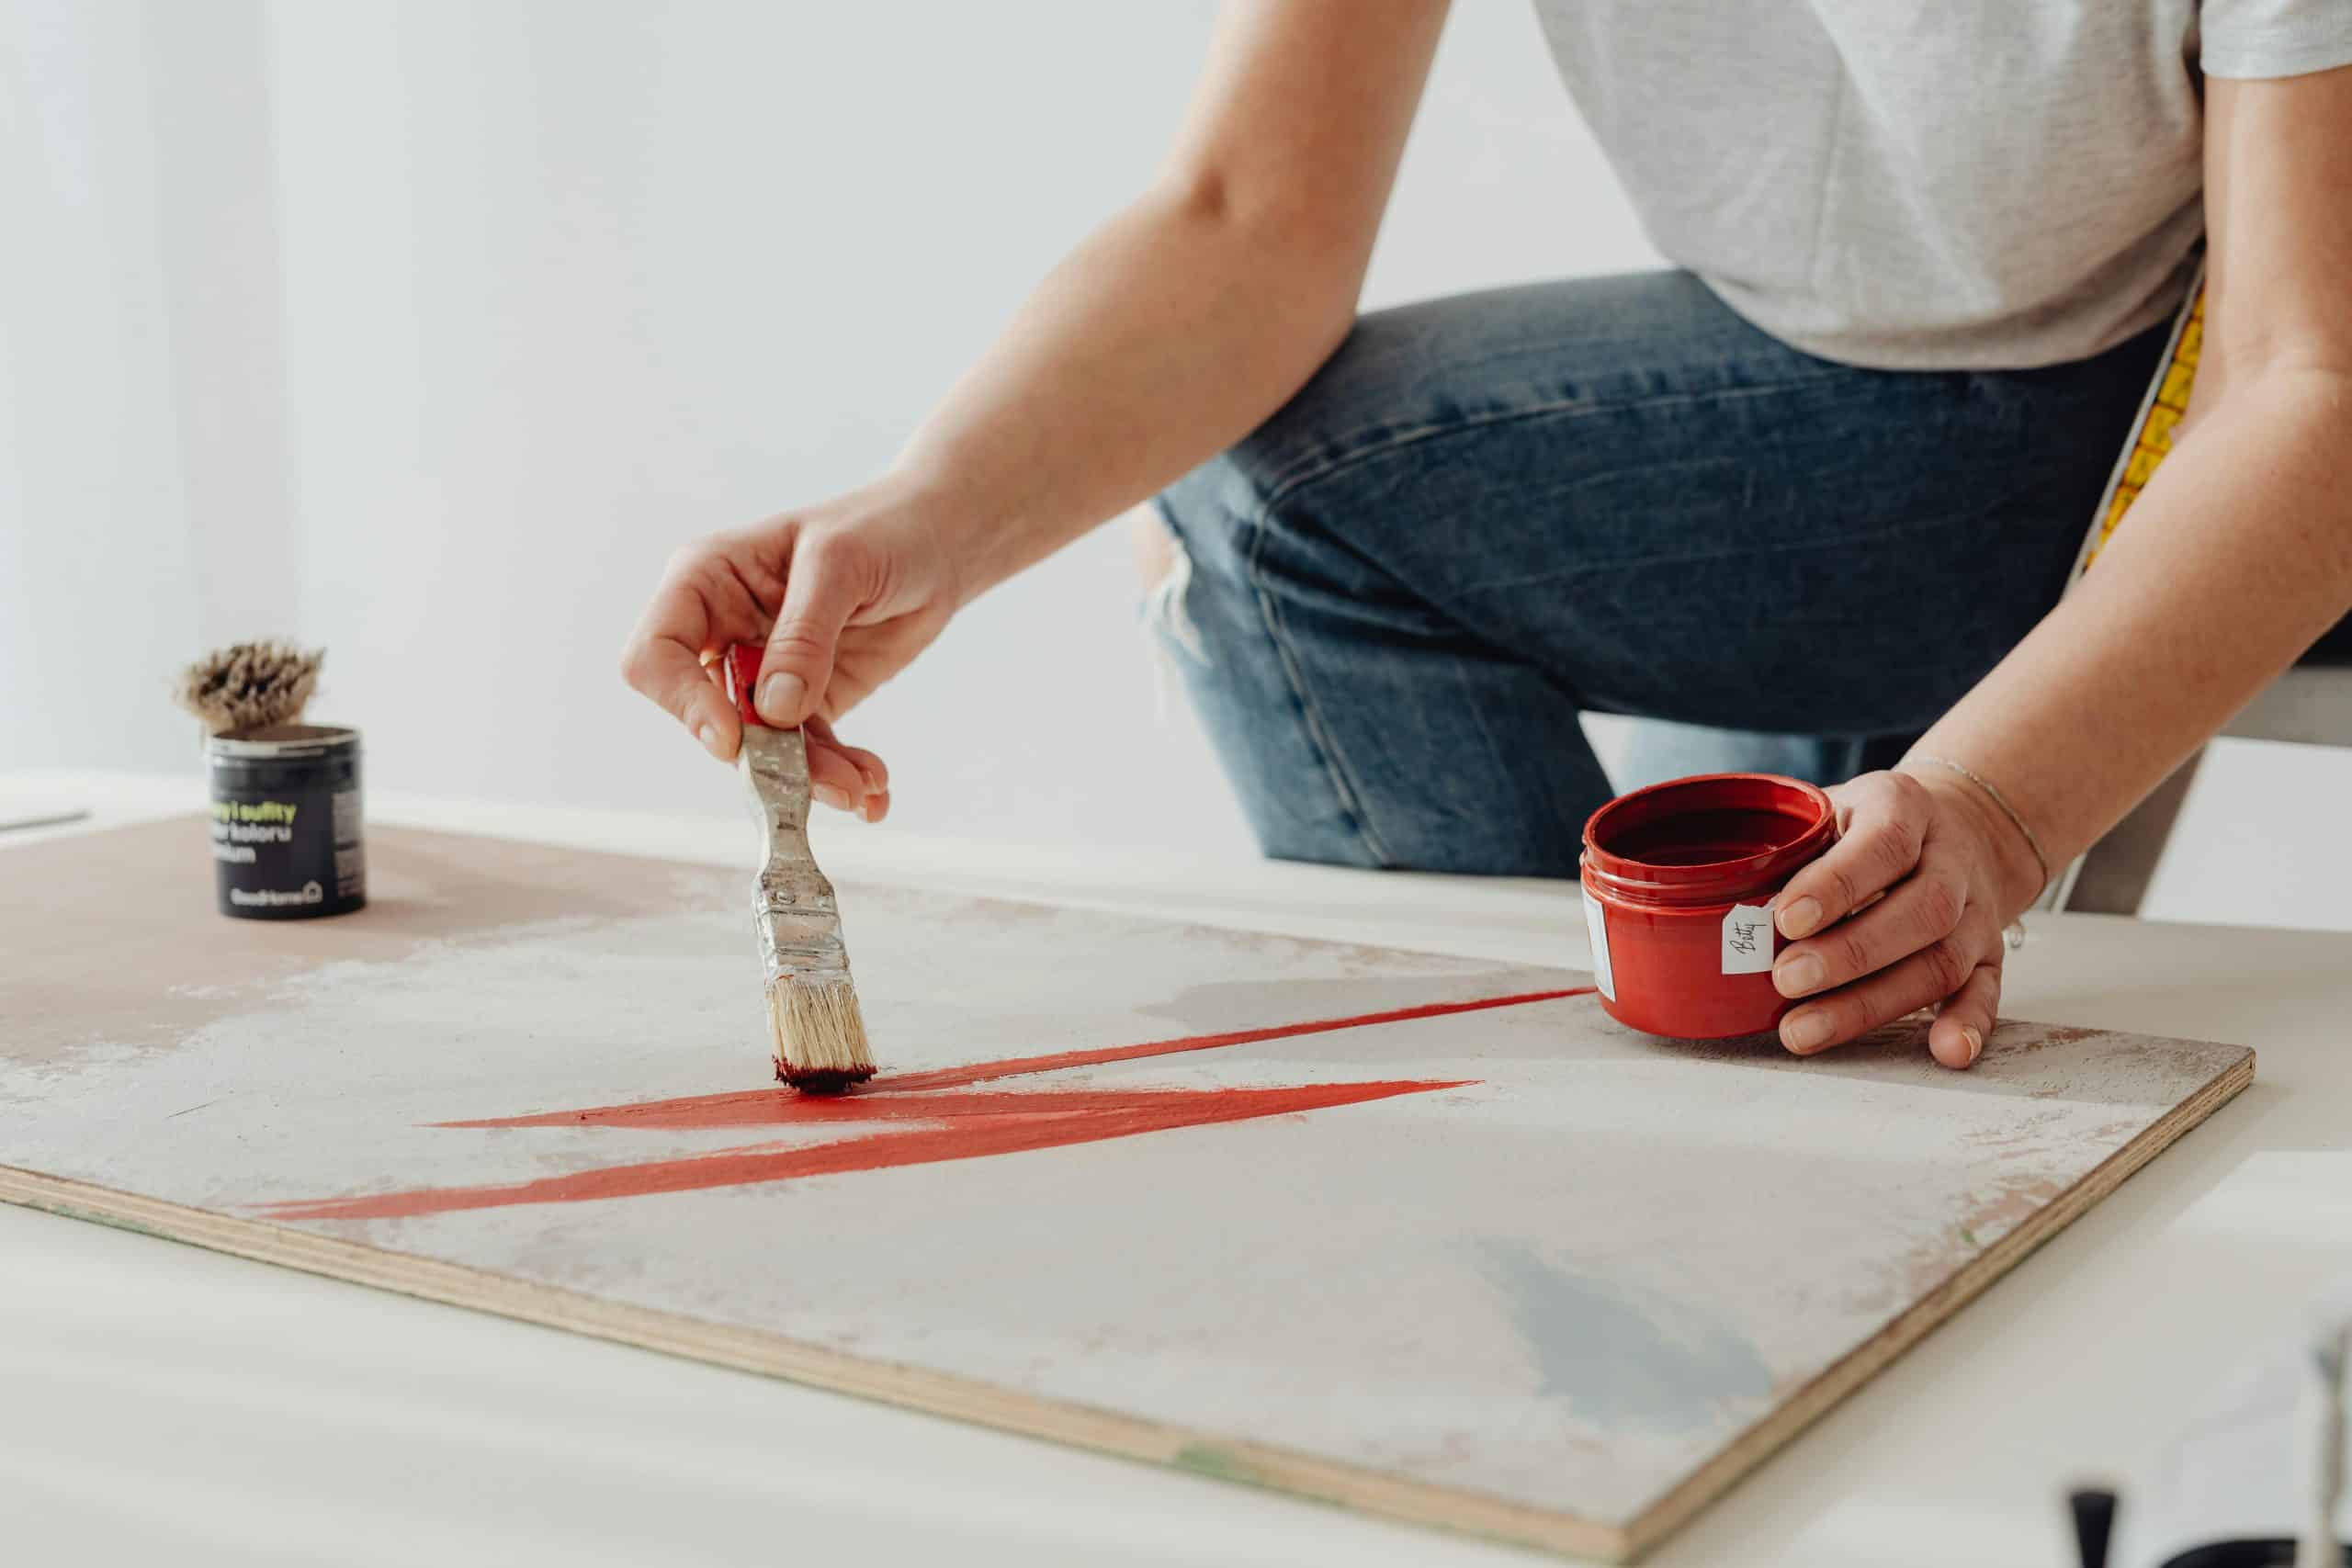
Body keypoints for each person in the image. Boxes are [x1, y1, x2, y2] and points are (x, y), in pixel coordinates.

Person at [622, 0, 2352, 1068]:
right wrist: (928, 513)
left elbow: (2309, 383)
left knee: (1286, 513)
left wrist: (1994, 806)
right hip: (1836, 362)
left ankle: (1548, 1144)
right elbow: (1249, 214)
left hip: (2198, 367)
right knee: (1797, 1002)